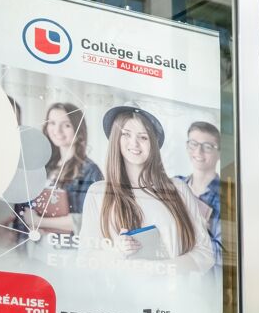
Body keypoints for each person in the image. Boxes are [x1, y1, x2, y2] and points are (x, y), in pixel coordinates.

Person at [78, 106, 214, 271]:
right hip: (122, 294)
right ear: (115, 139)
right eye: (126, 134)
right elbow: (85, 258)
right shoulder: (99, 192)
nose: (134, 143)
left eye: (143, 137)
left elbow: (205, 254)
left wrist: (162, 269)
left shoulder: (177, 189)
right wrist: (117, 252)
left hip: (174, 293)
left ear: (153, 144)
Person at [20, 102, 102, 235]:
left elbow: (87, 220)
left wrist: (38, 221)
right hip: (37, 247)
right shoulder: (44, 166)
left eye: (66, 125)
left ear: (78, 130)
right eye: (52, 123)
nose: (57, 131)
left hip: (66, 250)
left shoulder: (90, 171)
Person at [175, 121, 223, 266]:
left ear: (219, 153)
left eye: (207, 147)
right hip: (173, 275)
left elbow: (225, 255)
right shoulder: (175, 185)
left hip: (207, 282)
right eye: (193, 144)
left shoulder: (227, 196)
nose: (198, 152)